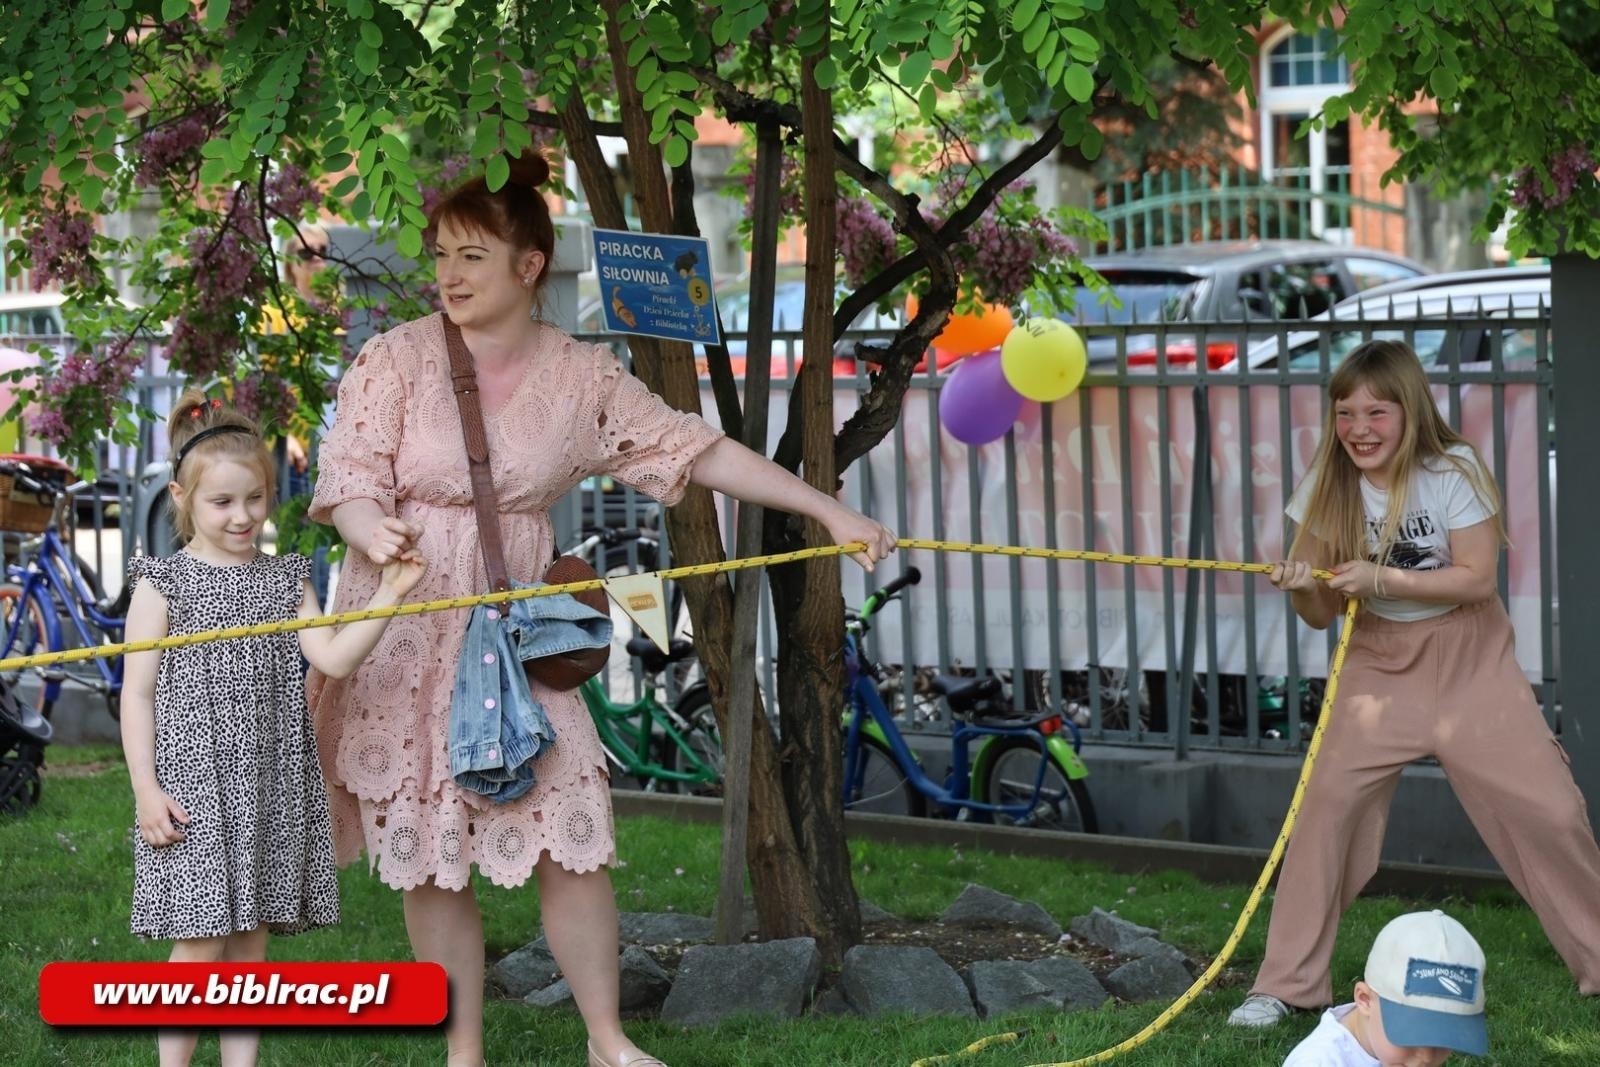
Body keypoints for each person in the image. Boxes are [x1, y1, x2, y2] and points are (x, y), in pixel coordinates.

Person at [305, 150, 896, 1067]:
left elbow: (695, 450)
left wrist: (827, 508)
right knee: (430, 844)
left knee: (570, 827)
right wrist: (369, 525)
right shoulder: (397, 358)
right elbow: (345, 474)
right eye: (441, 255)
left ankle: (607, 1041)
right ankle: (463, 1054)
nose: (448, 275)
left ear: (527, 264)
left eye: (470, 256)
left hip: (519, 632)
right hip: (406, 624)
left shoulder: (582, 377)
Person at [1229, 340, 1600, 1029]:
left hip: (1471, 660)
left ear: (1410, 410)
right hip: (1376, 662)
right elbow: (1320, 615)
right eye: (1345, 412)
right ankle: (1285, 984)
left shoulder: (1451, 467)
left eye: (1377, 410)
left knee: (1550, 807)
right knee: (1324, 812)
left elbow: (1475, 576)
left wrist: (1382, 578)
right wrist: (1301, 585)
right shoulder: (1326, 481)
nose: (1359, 428)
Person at [120, 391, 427, 1067]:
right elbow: (136, 695)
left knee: (251, 940)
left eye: (255, 498)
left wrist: (389, 595)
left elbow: (335, 657)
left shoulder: (286, 580)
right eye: (222, 502)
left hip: (269, 786)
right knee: (200, 942)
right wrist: (146, 788)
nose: (242, 516)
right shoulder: (163, 584)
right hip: (193, 790)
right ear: (184, 496)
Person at [1283, 910, 1487, 1066]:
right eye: (1410, 1036)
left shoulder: (1389, 1052)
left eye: (1443, 1039)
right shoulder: (1319, 1061)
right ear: (1364, 1000)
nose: (1426, 1057)